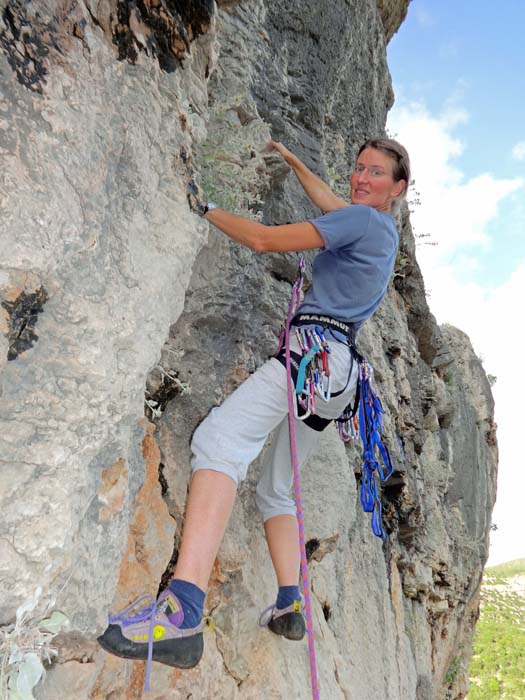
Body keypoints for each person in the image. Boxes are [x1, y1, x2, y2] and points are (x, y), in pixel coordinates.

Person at [98, 137, 410, 671]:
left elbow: (265, 241)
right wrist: (295, 163)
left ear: (397, 188)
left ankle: (181, 611)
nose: (360, 178)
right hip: (337, 380)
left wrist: (204, 205)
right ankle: (291, 600)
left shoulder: (363, 222)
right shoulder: (379, 229)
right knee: (279, 490)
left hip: (311, 356)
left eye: (374, 173)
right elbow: (332, 203)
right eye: (357, 168)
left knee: (219, 441)